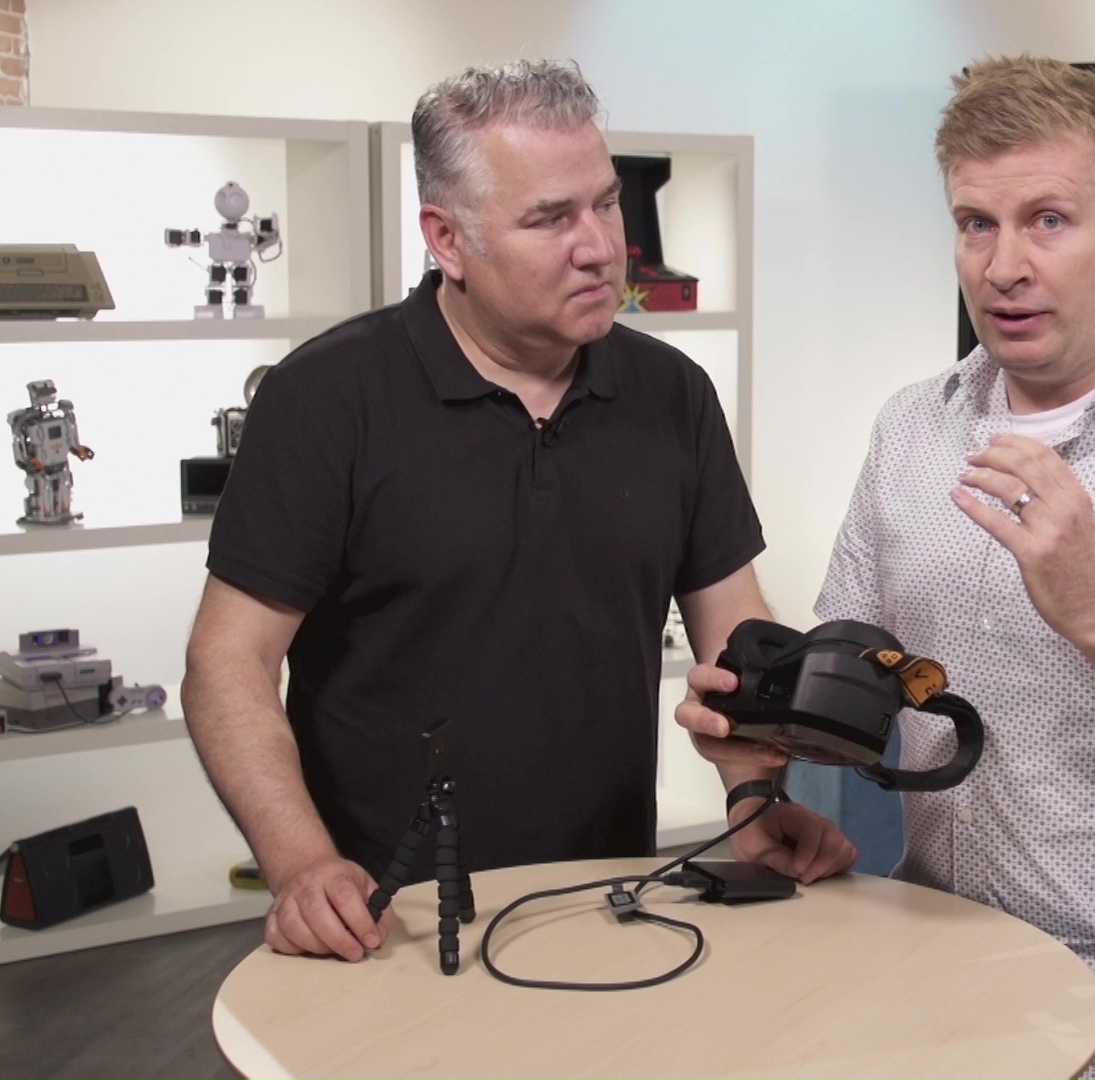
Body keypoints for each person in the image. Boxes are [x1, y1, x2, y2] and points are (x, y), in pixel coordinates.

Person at [678, 56, 1095, 1079]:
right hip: (935, 1003)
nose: (1003, 266)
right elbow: (861, 683)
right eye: (976, 224)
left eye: (1048, 220)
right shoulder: (912, 427)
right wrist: (755, 743)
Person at [182, 60, 853, 964]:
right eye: (549, 219)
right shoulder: (325, 400)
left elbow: (734, 636)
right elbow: (227, 663)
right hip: (386, 928)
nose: (600, 247)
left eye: (606, 204)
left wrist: (753, 802)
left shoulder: (675, 394)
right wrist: (302, 864)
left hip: (611, 903)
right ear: (447, 239)